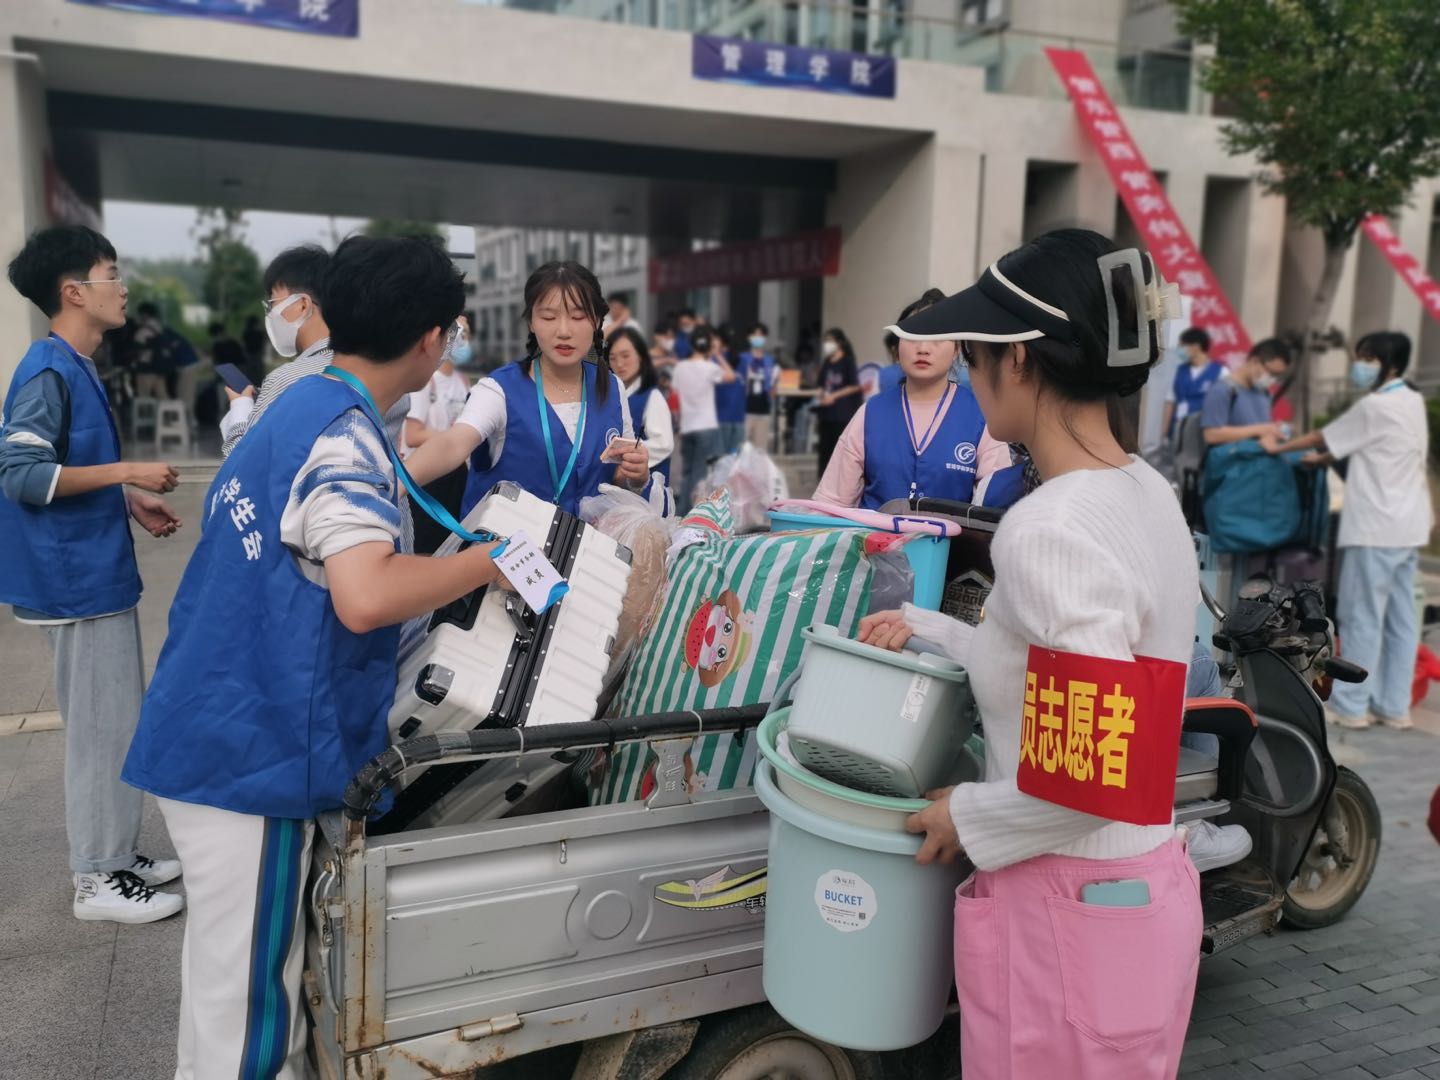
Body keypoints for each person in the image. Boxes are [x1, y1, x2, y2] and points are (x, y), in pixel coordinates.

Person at [122, 234, 514, 1079]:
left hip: (215, 720)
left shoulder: (302, 401)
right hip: (254, 755)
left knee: (229, 995)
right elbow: (364, 593)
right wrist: (488, 563)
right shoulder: (345, 438)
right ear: (431, 340)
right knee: (250, 1029)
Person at [861, 229, 1202, 1078]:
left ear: (1017, 361)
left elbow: (1089, 779)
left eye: (976, 357)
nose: (972, 378)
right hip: (1137, 887)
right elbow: (1089, 687)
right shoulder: (1145, 491)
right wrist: (932, 628)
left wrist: (968, 817)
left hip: (1065, 909)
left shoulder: (1049, 525)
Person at [0, 225, 185, 923]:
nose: (123, 287)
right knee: (101, 730)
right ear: (74, 291)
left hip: (90, 576)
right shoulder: (48, 371)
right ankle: (96, 879)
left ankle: (115, 853)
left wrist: (126, 498)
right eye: (111, 273)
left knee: (115, 721)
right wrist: (127, 470)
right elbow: (21, 475)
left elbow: (62, 466)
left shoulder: (72, 364)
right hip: (72, 583)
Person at [1264, 331, 1434, 729]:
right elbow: (1372, 446)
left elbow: (1323, 436)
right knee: (1402, 621)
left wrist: (1277, 448)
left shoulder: (1375, 405)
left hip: (1376, 527)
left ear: (1388, 363)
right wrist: (1322, 458)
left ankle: (1353, 706)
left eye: (1368, 358)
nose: (1361, 366)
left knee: (1362, 617)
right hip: (1408, 526)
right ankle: (1393, 707)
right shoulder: (1411, 401)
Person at [404, 261, 650, 516]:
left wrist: (636, 475)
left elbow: (619, 479)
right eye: (549, 317)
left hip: (589, 541)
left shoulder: (612, 387)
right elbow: (454, 443)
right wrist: (397, 484)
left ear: (597, 321)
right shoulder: (498, 391)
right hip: (506, 541)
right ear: (531, 322)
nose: (563, 331)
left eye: (578, 317)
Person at [814, 289, 1021, 509]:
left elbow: (993, 505)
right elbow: (831, 503)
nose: (923, 348)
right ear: (897, 347)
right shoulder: (871, 413)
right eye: (912, 335)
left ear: (956, 350)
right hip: (874, 533)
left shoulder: (981, 417)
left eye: (937, 337)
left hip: (953, 534)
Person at [404, 315, 473, 553]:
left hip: (456, 474)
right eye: (458, 333)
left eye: (467, 334)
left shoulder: (463, 381)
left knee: (452, 545)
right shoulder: (425, 381)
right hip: (428, 477)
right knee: (426, 549)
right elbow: (412, 435)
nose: (463, 341)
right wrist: (455, 438)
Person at [669, 325, 737, 512]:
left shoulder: (680, 367)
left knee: (687, 472)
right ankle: (692, 513)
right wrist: (718, 355)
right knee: (700, 474)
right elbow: (731, 376)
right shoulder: (710, 368)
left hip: (687, 427)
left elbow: (674, 395)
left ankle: (681, 512)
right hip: (706, 426)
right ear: (708, 346)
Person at [1199, 337, 1293, 448]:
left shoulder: (1264, 393)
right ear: (1254, 361)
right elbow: (1211, 435)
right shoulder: (1222, 390)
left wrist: (1273, 429)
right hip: (1231, 456)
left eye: (1277, 376)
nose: (1272, 379)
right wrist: (1259, 429)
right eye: (1271, 373)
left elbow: (1261, 429)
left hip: (1257, 453)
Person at [608, 325, 675, 479]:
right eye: (613, 358)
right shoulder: (612, 396)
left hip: (645, 484)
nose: (619, 364)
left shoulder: (652, 397)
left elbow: (663, 444)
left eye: (625, 356)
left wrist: (623, 454)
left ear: (640, 356)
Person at [814, 327, 862, 474]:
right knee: (825, 449)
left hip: (842, 413)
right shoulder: (827, 362)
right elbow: (821, 384)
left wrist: (834, 396)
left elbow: (854, 386)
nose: (827, 344)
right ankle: (822, 478)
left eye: (830, 341)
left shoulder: (847, 362)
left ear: (839, 342)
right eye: (826, 341)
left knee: (840, 449)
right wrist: (820, 394)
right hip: (826, 413)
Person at [1163, 327, 1224, 440]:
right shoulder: (1179, 370)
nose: (1179, 350)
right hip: (1178, 430)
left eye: (1182, 346)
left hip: (1204, 432)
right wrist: (1165, 433)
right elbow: (1171, 402)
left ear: (1195, 347)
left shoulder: (1221, 372)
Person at [740, 322, 778, 451]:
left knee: (760, 450)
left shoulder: (770, 360)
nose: (757, 338)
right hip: (744, 409)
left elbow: (773, 383)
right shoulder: (742, 358)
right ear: (748, 337)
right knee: (742, 448)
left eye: (760, 335)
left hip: (763, 408)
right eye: (754, 335)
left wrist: (774, 387)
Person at [712, 324, 748, 454]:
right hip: (738, 416)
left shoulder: (714, 360)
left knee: (720, 459)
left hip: (720, 416)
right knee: (735, 458)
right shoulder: (743, 360)